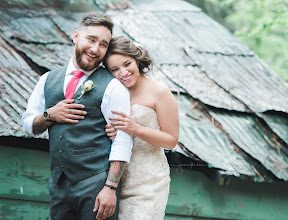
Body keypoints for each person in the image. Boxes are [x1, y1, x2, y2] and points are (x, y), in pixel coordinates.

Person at [21, 12, 132, 220]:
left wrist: (110, 187)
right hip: (59, 186)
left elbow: (123, 140)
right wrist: (49, 115)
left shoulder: (114, 87)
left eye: (103, 44)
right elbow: (28, 124)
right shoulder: (47, 80)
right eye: (91, 39)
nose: (95, 49)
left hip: (97, 186)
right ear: (75, 36)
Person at [104, 36, 179, 219]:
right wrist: (111, 132)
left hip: (149, 182)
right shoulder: (111, 92)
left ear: (136, 59)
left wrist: (136, 129)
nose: (123, 72)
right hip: (115, 180)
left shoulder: (159, 91)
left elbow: (171, 140)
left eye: (127, 63)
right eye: (115, 69)